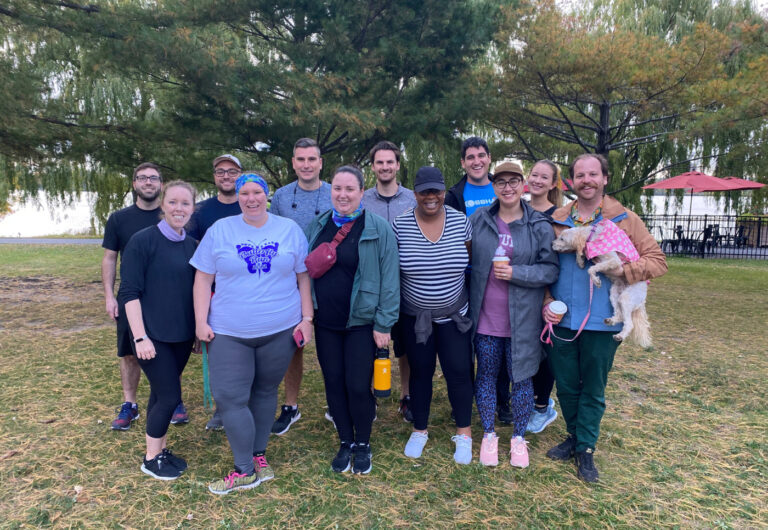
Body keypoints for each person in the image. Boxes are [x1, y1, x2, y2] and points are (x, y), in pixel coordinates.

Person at [543, 153, 667, 483]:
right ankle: (573, 435)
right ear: (571, 181)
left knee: (593, 387)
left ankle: (586, 448)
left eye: (593, 174)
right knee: (567, 386)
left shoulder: (625, 219)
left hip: (601, 321)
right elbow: (544, 265)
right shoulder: (557, 218)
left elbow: (657, 261)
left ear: (605, 179)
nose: (586, 180)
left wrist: (623, 270)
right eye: (580, 175)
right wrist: (545, 300)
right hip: (561, 320)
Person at [191, 173, 313, 495]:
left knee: (265, 391)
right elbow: (202, 279)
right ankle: (243, 469)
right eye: (244, 192)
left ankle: (259, 457)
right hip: (229, 331)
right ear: (238, 196)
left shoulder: (289, 230)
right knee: (230, 397)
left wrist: (307, 318)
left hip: (279, 329)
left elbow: (303, 277)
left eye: (257, 192)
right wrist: (200, 322)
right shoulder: (220, 230)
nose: (251, 198)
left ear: (267, 195)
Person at [306, 165, 400, 474]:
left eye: (350, 189)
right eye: (337, 188)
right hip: (326, 323)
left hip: (362, 323)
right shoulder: (318, 226)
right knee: (333, 383)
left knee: (358, 386)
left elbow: (390, 279)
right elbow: (304, 274)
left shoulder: (377, 228)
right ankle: (345, 440)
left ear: (362, 192)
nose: (343, 194)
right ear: (330, 191)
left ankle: (363, 443)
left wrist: (384, 323)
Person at [469, 161, 559, 467]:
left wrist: (516, 272)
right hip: (486, 319)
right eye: (501, 182)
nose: (507, 187)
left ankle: (518, 438)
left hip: (523, 320)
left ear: (523, 185)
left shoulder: (538, 224)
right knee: (487, 376)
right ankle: (489, 434)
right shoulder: (480, 218)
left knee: (522, 380)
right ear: (494, 186)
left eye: (513, 181)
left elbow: (550, 269)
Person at [393, 166, 475, 465]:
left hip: (455, 315)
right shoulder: (400, 225)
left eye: (436, 191)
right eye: (424, 191)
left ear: (444, 191)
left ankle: (464, 433)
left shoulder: (461, 222)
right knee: (420, 372)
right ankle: (420, 429)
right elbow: (393, 271)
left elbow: (470, 260)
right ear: (414, 193)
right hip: (416, 318)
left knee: (458, 372)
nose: (431, 197)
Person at [117, 180, 198, 480]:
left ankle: (160, 449)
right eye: (173, 202)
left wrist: (197, 333)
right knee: (169, 396)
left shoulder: (192, 245)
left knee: (160, 394)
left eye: (185, 203)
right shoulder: (143, 241)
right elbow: (129, 292)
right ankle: (151, 458)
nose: (179, 208)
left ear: (193, 208)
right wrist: (139, 336)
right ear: (163, 204)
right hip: (150, 336)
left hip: (181, 336)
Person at [444, 137, 514, 425]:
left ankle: (502, 401)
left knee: (499, 338)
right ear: (463, 162)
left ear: (489, 159)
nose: (476, 161)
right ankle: (464, 399)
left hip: (499, 278)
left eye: (481, 155)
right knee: (467, 345)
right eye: (470, 157)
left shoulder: (504, 190)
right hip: (466, 278)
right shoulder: (454, 195)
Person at [268, 138, 332, 435]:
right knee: (294, 345)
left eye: (312, 159)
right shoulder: (280, 197)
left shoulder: (336, 193)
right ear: (293, 163)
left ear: (320, 162)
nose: (306, 165)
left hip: (331, 278)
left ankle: (337, 403)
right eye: (300, 159)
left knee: (334, 346)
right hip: (291, 282)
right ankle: (291, 406)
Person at [102, 162, 172, 430]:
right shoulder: (119, 219)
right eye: (142, 178)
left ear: (161, 184)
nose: (148, 182)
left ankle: (169, 398)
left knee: (169, 349)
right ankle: (129, 404)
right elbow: (109, 258)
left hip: (166, 298)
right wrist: (109, 296)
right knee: (130, 352)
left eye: (153, 178)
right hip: (131, 297)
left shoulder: (173, 215)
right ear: (134, 184)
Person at [186, 154, 244, 431]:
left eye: (232, 171)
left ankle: (246, 406)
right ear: (214, 176)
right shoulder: (201, 211)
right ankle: (222, 409)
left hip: (245, 292)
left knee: (248, 353)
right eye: (220, 171)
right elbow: (191, 250)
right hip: (213, 292)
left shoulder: (250, 205)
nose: (226, 176)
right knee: (219, 355)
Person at [362, 140, 417, 422]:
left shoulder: (412, 199)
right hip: (372, 285)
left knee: (404, 344)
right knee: (371, 341)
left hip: (406, 283)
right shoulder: (362, 200)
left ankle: (406, 395)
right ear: (373, 167)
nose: (385, 167)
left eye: (390, 162)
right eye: (379, 162)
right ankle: (370, 394)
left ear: (397, 165)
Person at [524, 159, 564, 434]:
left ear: (553, 184)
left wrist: (549, 296)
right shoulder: (519, 208)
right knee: (526, 348)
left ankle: (542, 405)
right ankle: (524, 402)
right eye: (534, 175)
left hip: (549, 290)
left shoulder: (559, 215)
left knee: (545, 350)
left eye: (544, 177)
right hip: (523, 289)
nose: (537, 180)